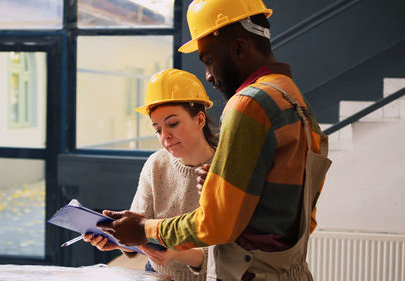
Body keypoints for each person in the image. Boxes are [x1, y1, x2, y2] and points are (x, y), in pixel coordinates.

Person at [97, 0, 332, 280]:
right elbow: (300, 215)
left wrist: (146, 229)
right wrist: (222, 190)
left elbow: (216, 225)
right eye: (157, 128)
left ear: (239, 48)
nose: (208, 75)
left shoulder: (248, 104)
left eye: (208, 60)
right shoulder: (294, 100)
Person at [84, 68, 218, 281]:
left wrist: (176, 253)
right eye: (157, 129)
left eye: (172, 124)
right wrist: (119, 240)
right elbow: (137, 231)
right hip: (157, 276)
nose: (165, 136)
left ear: (200, 119)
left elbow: (226, 255)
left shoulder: (224, 168)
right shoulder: (156, 164)